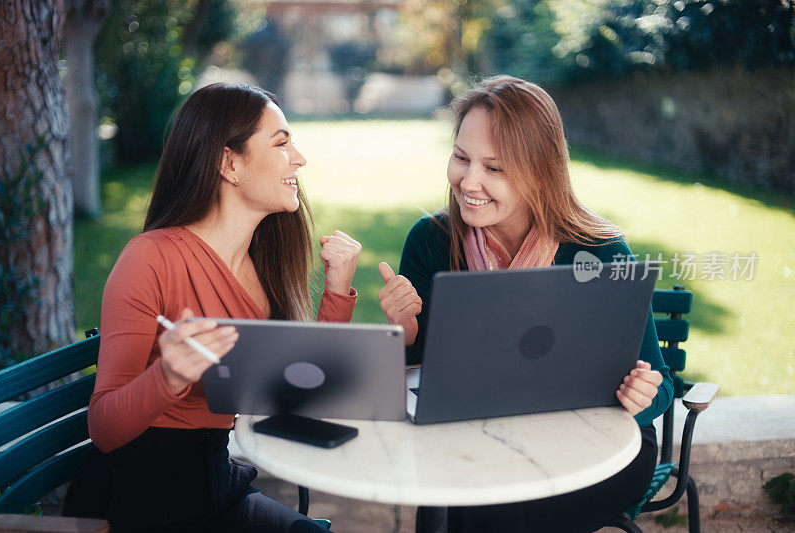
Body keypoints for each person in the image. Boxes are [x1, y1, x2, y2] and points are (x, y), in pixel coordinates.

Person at [377, 75, 673, 532]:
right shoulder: (431, 241)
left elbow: (662, 387)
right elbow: (426, 379)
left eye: (494, 168)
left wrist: (641, 396)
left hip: (594, 447)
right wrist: (407, 331)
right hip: (480, 439)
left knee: (487, 497)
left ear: (539, 172)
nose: (468, 180)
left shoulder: (600, 252)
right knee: (473, 488)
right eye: (461, 158)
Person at [63, 83, 362, 532]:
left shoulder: (262, 267)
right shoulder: (151, 257)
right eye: (281, 144)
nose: (299, 159)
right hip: (139, 498)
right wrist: (167, 377)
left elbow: (297, 395)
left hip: (216, 487)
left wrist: (338, 291)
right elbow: (104, 428)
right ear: (229, 163)